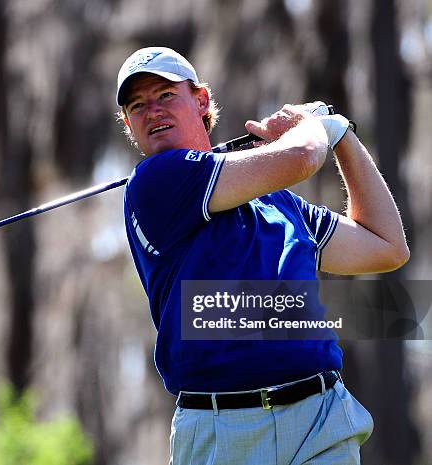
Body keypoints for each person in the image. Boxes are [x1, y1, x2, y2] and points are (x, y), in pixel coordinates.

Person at [115, 47, 409, 464]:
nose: (152, 111)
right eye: (137, 105)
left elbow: (386, 246)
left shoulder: (278, 202)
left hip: (320, 420)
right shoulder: (156, 181)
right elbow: (303, 156)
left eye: (165, 95)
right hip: (223, 432)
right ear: (129, 124)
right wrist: (312, 128)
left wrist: (342, 134)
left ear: (201, 101)